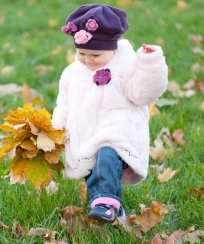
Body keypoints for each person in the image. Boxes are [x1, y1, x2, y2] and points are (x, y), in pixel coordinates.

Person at [51, 4, 168, 222]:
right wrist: (54, 133)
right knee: (94, 170)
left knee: (107, 154)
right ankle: (110, 210)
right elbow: (63, 105)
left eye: (95, 54)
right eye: (82, 53)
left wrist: (150, 64)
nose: (88, 59)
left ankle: (106, 202)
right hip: (86, 134)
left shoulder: (127, 66)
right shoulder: (72, 73)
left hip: (119, 132)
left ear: (113, 49)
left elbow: (143, 93)